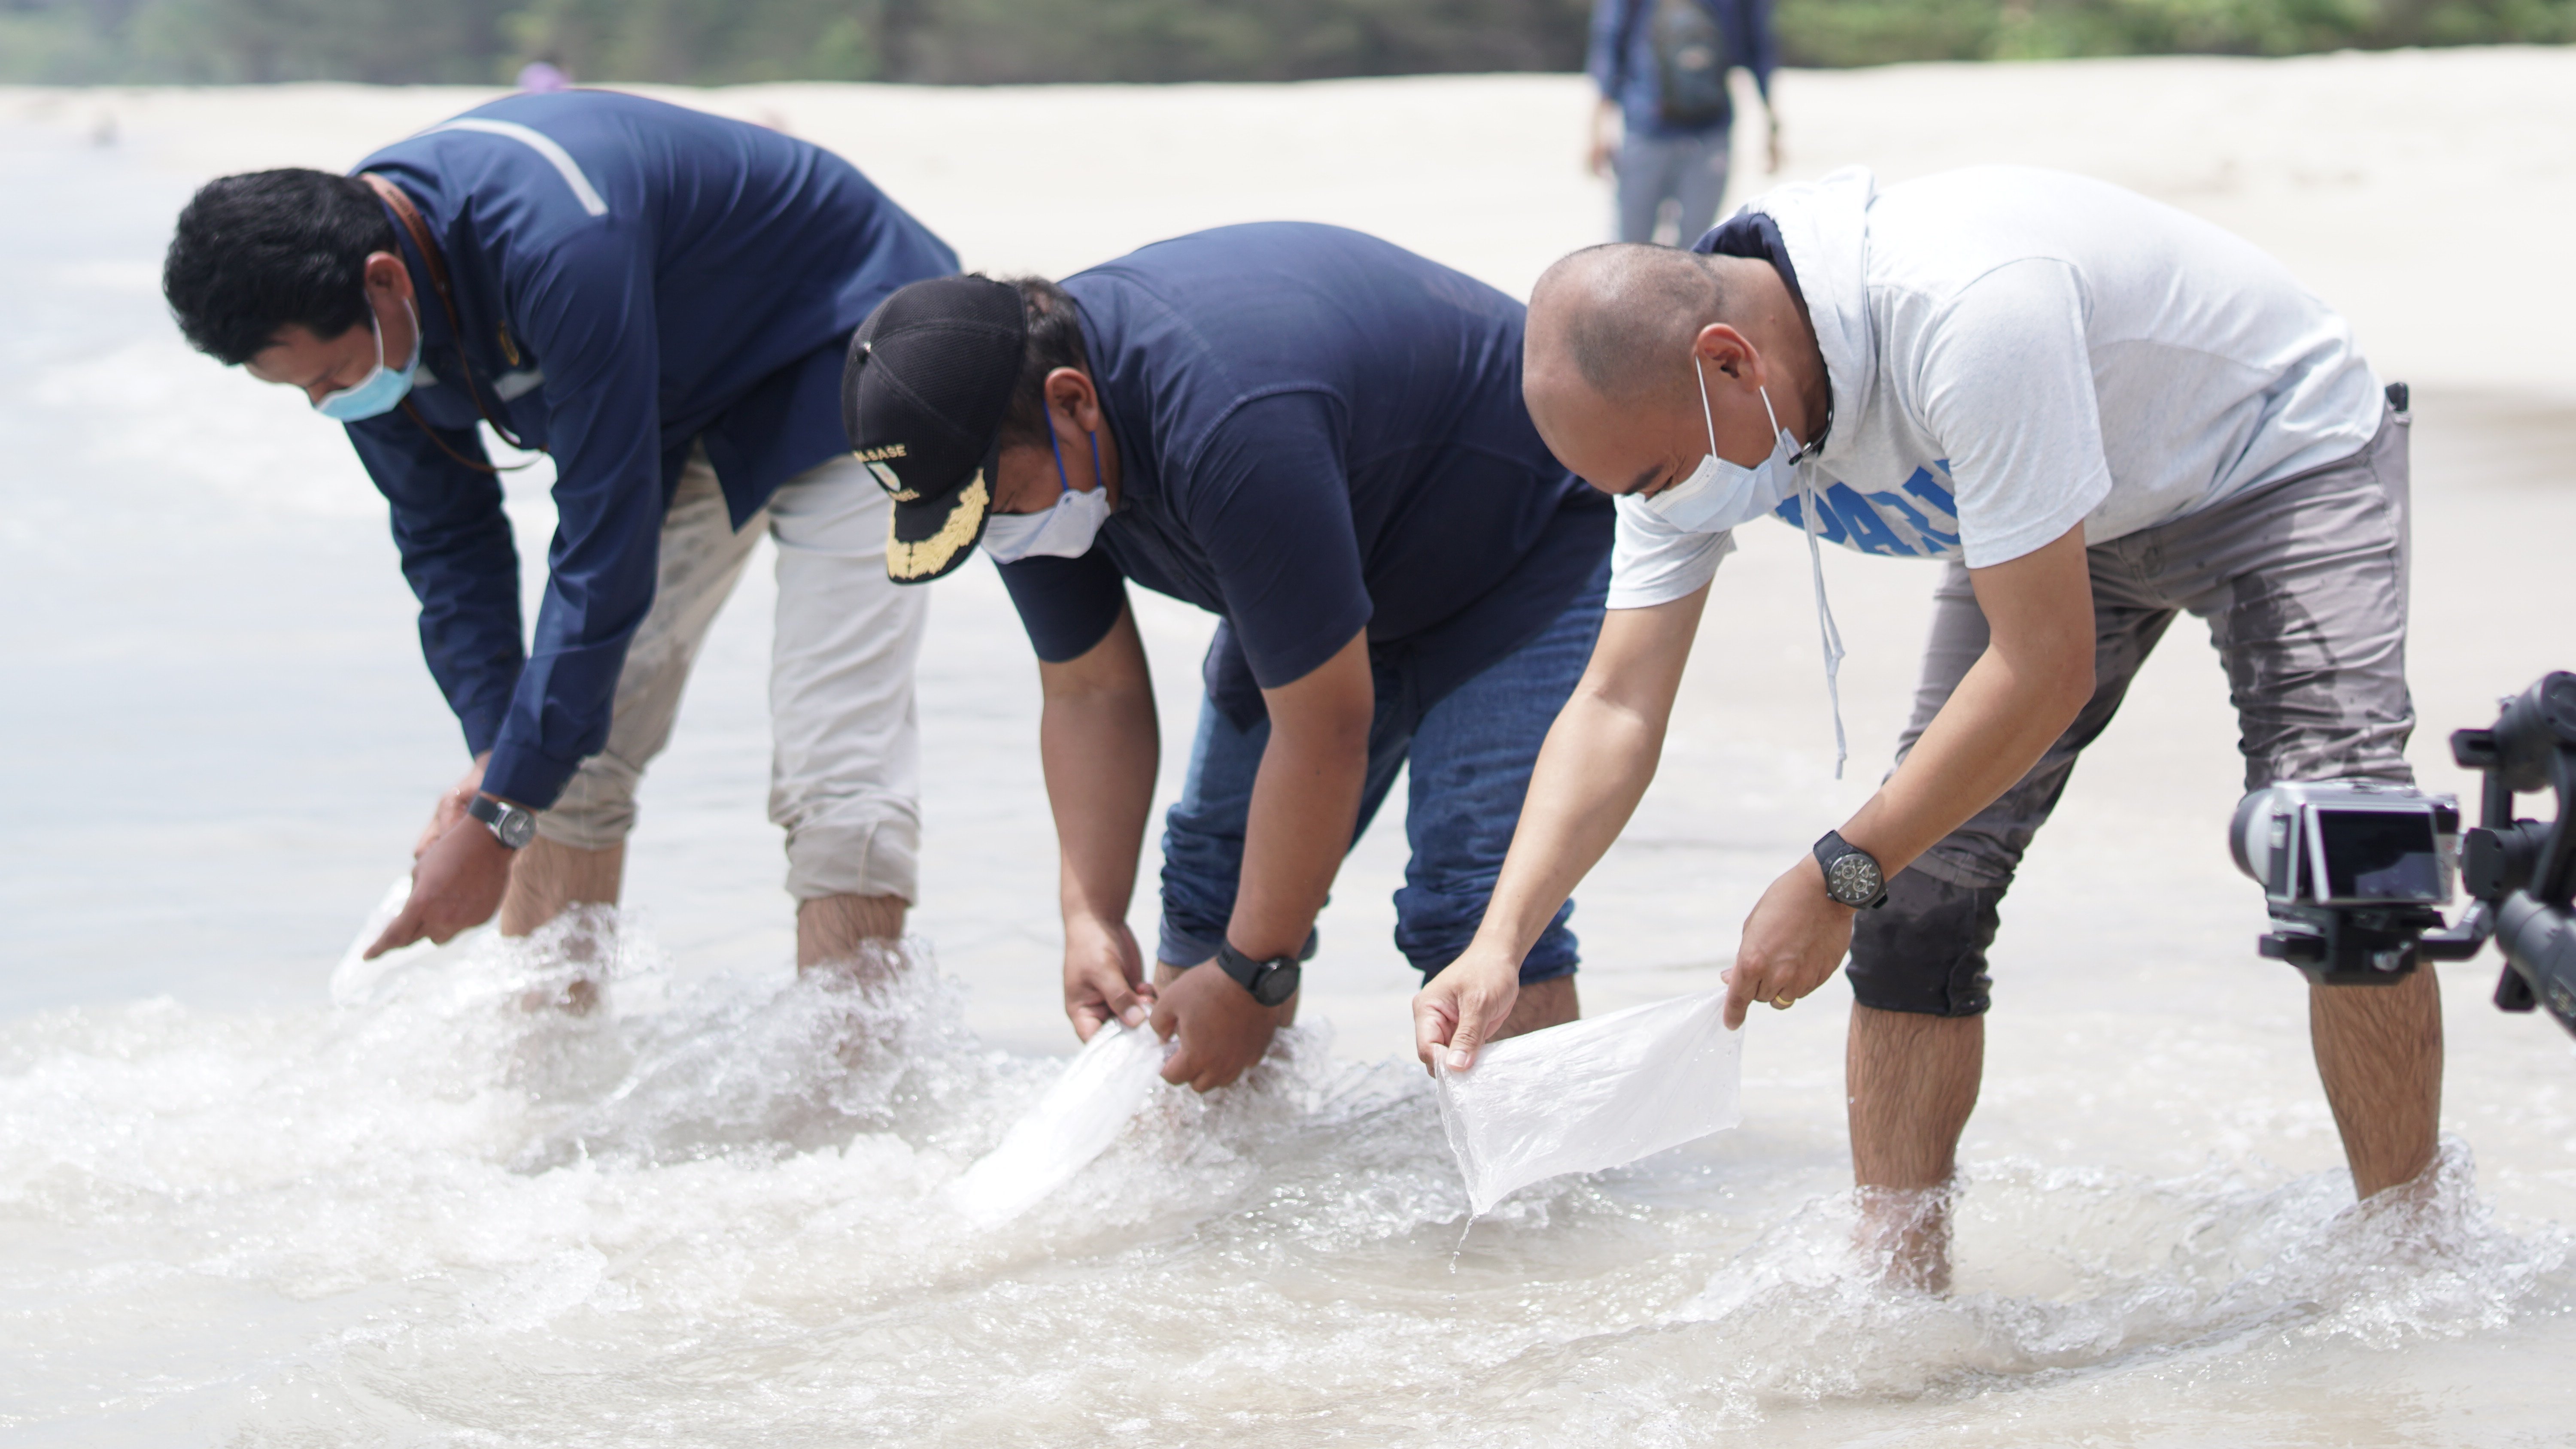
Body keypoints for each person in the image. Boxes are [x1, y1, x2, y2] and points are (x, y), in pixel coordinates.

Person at [1415, 165, 2434, 1286]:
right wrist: (1499, 942)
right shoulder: (1674, 404)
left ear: (1729, 361)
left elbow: (2042, 670)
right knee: (1912, 909)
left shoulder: (1969, 306)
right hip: (2059, 525)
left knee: (2348, 862)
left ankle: (2408, 1267)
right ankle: (1898, 1290)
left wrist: (1837, 871)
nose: (1655, 505)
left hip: (2272, 461)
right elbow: (1616, 701)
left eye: (1655, 478)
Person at [162, 91, 959, 971]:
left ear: (384, 282)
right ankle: (547, 1086)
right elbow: (445, 543)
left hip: (853, 347)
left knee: (834, 758)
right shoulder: (348, 300)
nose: (329, 403)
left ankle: (849, 1087)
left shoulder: (554, 243)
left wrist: (501, 813)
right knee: (560, 762)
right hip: (680, 403)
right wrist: (492, 760)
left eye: (330, 376)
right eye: (302, 392)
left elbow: (604, 542)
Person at [839, 224, 1615, 1091]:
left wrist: (1256, 972)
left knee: (1470, 894)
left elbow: (1324, 728)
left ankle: (1542, 1196)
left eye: (1002, 501)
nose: (1002, 532)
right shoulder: (1026, 469)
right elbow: (1089, 691)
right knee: (1213, 888)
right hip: (1335, 548)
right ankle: (1215, 1198)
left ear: (1073, 401)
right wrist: (1088, 913)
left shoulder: (1230, 419)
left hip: (1519, 538)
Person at [1586, 0, 1781, 247]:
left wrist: (1598, 126)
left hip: (1657, 124)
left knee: (1632, 247)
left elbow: (1610, 44)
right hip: (1688, 128)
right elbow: (1758, 48)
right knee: (1693, 251)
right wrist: (1772, 124)